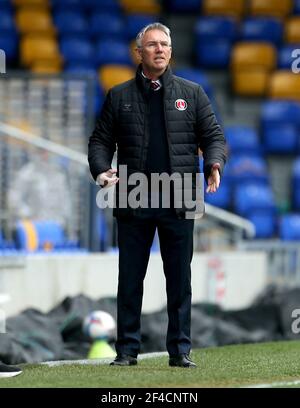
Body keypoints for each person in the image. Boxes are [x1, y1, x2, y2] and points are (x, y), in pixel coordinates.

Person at [88, 23, 226, 368]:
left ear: (171, 50)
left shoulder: (192, 93)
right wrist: (101, 169)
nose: (160, 50)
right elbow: (100, 141)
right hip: (134, 196)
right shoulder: (118, 96)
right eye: (152, 45)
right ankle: (127, 351)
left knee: (179, 279)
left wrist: (213, 164)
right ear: (139, 52)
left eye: (165, 44)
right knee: (130, 279)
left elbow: (214, 136)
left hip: (180, 195)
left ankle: (180, 351)